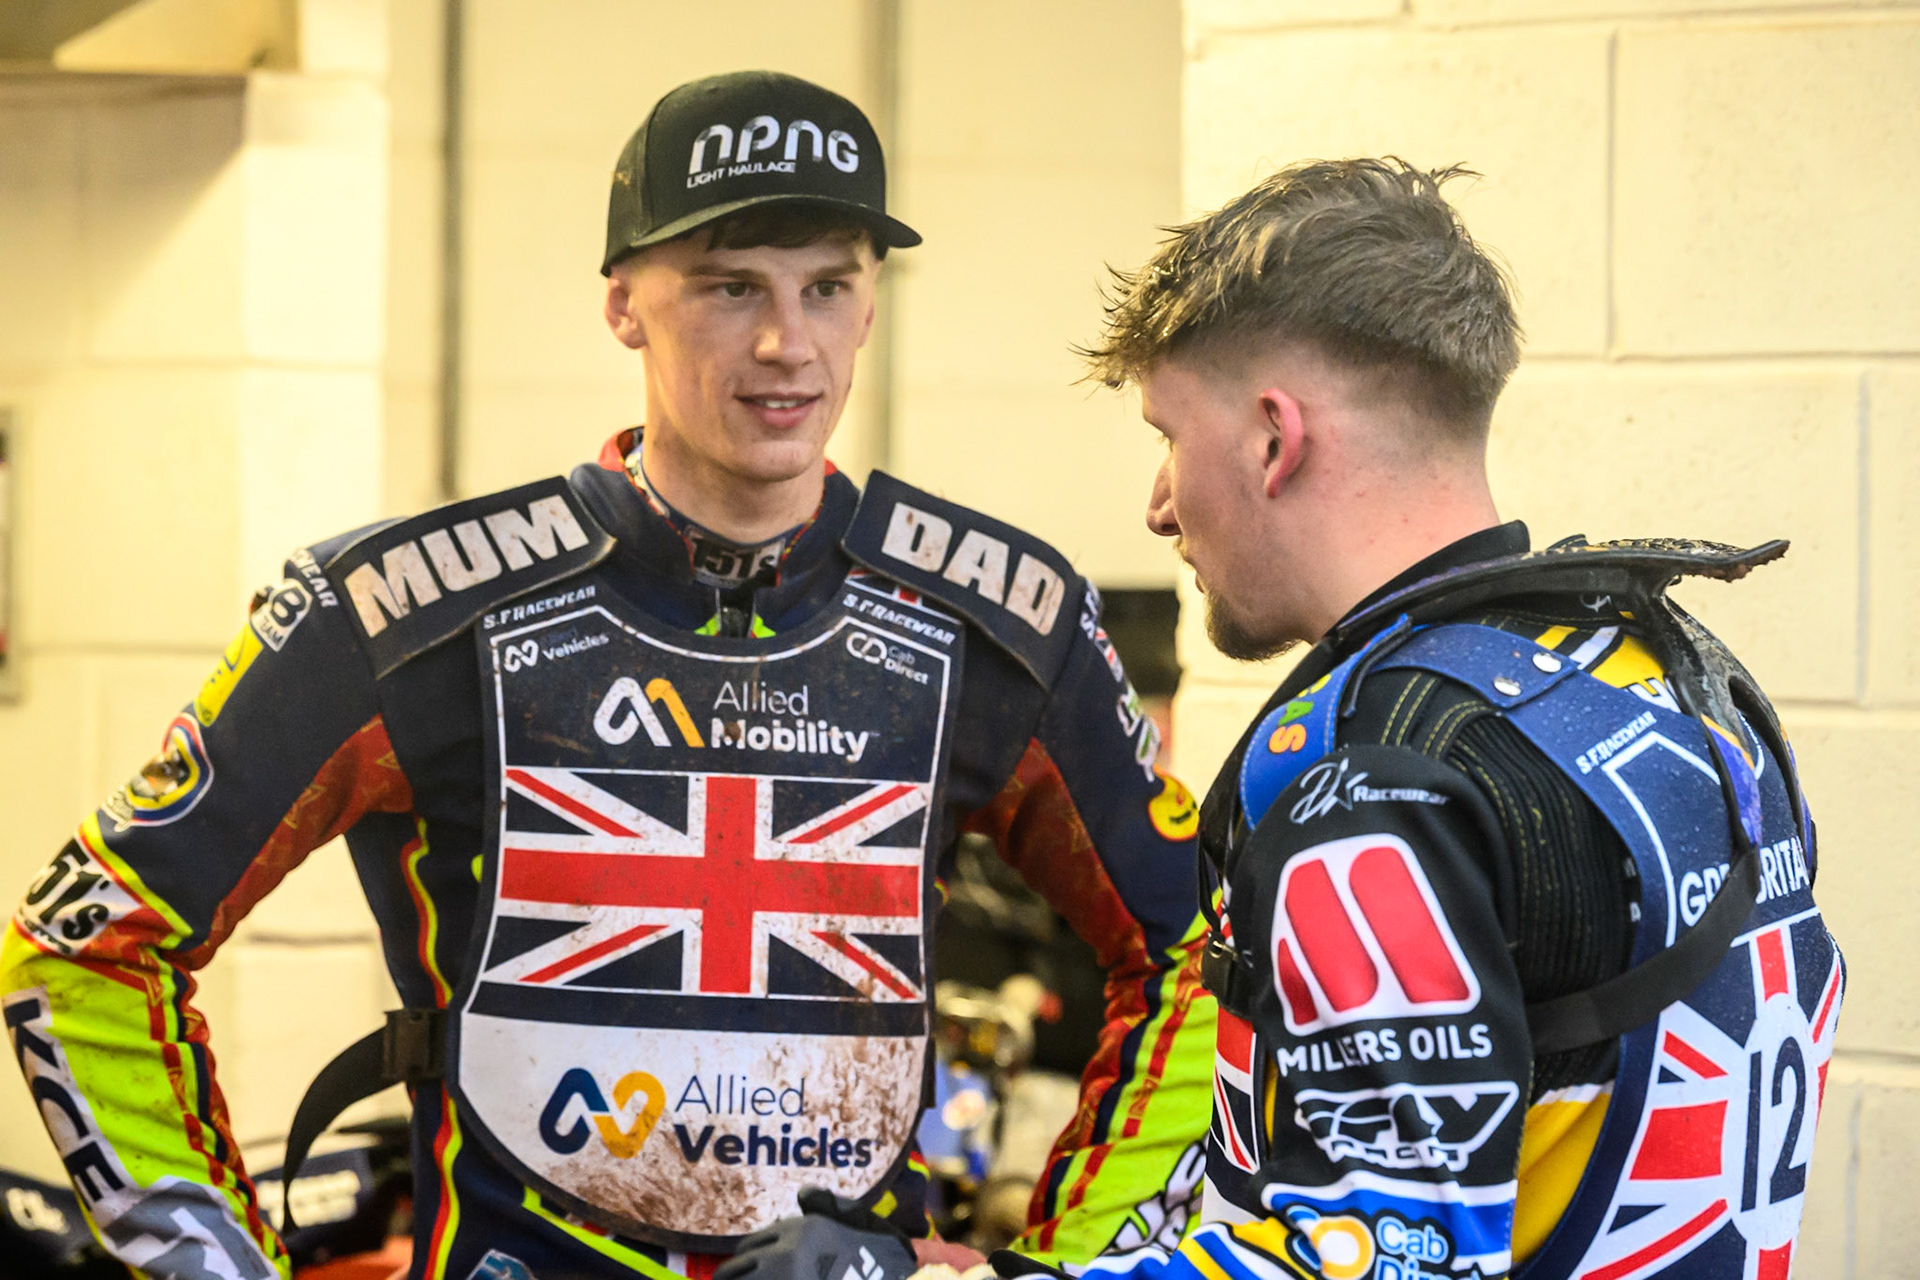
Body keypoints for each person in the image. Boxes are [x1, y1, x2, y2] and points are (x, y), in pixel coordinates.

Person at [0, 70, 1216, 1280]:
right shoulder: (403, 608)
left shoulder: (998, 615)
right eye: (730, 286)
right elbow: (83, 945)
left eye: (827, 286)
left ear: (872, 304)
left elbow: (1204, 959)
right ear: (623, 303)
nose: (788, 342)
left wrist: (1066, 1272)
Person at [723, 159, 1843, 1280]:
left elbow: (1380, 1262)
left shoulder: (1378, 783)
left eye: (1168, 434)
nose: (1158, 503)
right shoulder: (1668, 672)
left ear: (1273, 436)